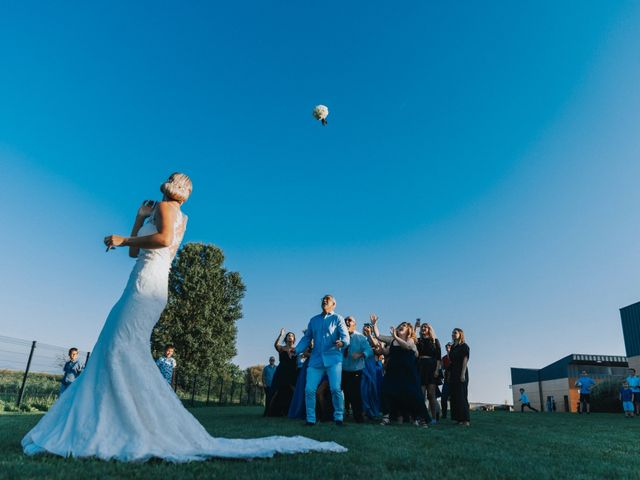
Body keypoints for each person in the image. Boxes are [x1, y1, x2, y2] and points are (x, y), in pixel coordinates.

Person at [22, 173, 345, 461]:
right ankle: (121, 418)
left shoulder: (168, 209)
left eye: (175, 179)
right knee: (119, 345)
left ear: (174, 188)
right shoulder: (176, 214)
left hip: (147, 283)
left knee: (119, 344)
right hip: (148, 280)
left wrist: (123, 238)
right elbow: (138, 251)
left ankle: (123, 422)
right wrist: (137, 220)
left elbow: (160, 241)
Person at [295, 294, 350, 426]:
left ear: (334, 304)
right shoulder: (314, 320)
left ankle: (338, 417)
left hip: (334, 359)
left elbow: (346, 337)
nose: (325, 301)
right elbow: (307, 338)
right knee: (309, 389)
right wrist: (296, 350)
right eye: (323, 300)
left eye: (328, 299)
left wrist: (342, 343)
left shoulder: (338, 318)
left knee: (336, 389)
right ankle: (311, 419)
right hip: (316, 360)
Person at [371, 315, 431, 428]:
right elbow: (379, 337)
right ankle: (386, 417)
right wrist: (374, 325)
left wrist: (395, 336)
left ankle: (421, 418)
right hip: (393, 372)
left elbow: (407, 347)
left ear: (409, 330)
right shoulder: (393, 340)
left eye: (404, 326)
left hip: (409, 373)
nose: (401, 327)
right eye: (400, 325)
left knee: (414, 395)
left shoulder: (410, 340)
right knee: (386, 391)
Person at [341, 316, 373, 423]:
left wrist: (361, 354)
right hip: (341, 370)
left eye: (349, 320)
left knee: (355, 395)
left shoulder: (360, 338)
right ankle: (332, 416)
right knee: (335, 391)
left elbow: (369, 350)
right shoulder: (340, 336)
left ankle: (358, 418)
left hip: (355, 371)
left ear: (355, 324)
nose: (347, 322)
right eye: (345, 320)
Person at [415, 320, 441, 423]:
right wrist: (415, 328)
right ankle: (421, 417)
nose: (423, 328)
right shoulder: (418, 340)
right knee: (421, 394)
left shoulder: (435, 341)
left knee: (431, 394)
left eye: (425, 326)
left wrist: (437, 370)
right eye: (422, 327)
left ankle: (434, 417)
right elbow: (412, 341)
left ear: (429, 329)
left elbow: (438, 358)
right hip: (421, 367)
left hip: (432, 368)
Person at [267, 329, 298, 416]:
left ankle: (294, 411)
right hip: (281, 372)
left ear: (294, 339)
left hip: (292, 372)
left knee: (294, 391)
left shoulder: (296, 349)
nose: (290, 336)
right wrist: (281, 335)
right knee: (276, 391)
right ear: (286, 338)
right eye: (288, 335)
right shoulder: (281, 348)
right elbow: (275, 345)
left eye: (291, 335)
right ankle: (270, 412)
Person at [449, 328, 470, 426]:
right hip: (453, 372)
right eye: (452, 332)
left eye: (455, 333)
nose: (453, 334)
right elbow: (451, 360)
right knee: (454, 396)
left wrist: (462, 374)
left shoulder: (464, 346)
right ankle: (458, 418)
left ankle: (465, 420)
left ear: (460, 334)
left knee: (462, 395)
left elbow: (465, 360)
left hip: (461, 371)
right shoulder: (453, 347)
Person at [440, 342, 452, 419]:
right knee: (443, 398)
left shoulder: (455, 357)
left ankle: (455, 415)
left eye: (449, 346)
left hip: (454, 380)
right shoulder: (444, 358)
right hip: (447, 380)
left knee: (454, 399)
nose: (448, 348)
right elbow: (442, 368)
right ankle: (444, 415)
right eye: (447, 347)